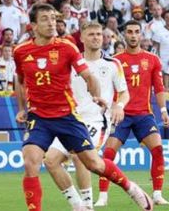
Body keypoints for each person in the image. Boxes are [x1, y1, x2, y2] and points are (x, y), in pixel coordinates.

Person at [13, 3, 151, 211]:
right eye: (45, 19)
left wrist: (97, 95)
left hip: (67, 116)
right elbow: (20, 79)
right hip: (38, 117)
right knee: (31, 161)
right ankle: (79, 206)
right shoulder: (21, 51)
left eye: (53, 18)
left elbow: (88, 76)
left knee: (93, 164)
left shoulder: (67, 47)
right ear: (32, 25)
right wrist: (22, 108)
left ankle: (131, 188)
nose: (51, 23)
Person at [42, 22, 129, 210]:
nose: (96, 37)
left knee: (79, 155)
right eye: (91, 34)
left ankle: (88, 206)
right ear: (81, 38)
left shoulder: (113, 64)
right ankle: (78, 205)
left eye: (99, 34)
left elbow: (124, 92)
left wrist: (119, 106)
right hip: (71, 119)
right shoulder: (71, 63)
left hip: (97, 120)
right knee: (50, 160)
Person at [98, 21, 169, 207]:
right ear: (124, 35)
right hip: (121, 114)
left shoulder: (152, 60)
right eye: (129, 32)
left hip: (144, 114)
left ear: (141, 35)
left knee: (158, 149)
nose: (133, 35)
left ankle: (157, 194)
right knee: (108, 153)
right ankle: (103, 196)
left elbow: (159, 88)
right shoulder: (115, 61)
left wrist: (163, 111)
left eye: (136, 32)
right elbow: (107, 88)